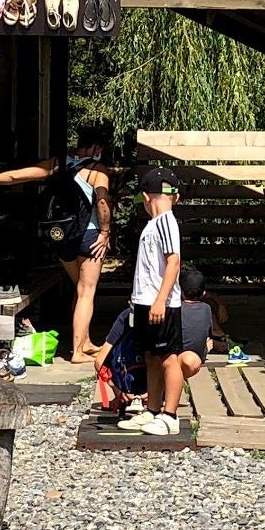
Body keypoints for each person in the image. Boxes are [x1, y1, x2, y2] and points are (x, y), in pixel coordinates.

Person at [0, 123, 113, 362]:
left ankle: (84, 341)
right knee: (87, 291)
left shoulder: (57, 163)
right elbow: (102, 200)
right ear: (96, 147)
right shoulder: (97, 169)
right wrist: (105, 232)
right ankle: (78, 352)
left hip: (60, 236)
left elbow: (17, 175)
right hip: (88, 235)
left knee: (79, 288)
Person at [119, 167, 184, 437]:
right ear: (175, 196)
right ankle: (153, 409)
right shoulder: (153, 225)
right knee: (151, 357)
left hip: (163, 303)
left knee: (168, 358)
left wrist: (160, 300)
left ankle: (170, 414)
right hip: (145, 301)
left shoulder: (167, 221)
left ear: (146, 197)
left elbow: (174, 262)